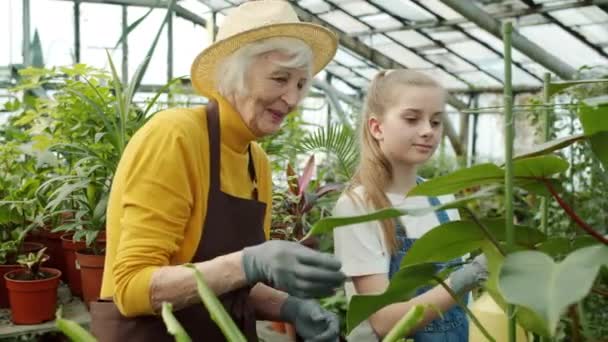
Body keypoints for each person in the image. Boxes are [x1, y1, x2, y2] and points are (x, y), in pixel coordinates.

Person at [90, 1, 345, 341]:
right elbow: (133, 287)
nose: (292, 98)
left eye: (301, 84)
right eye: (280, 78)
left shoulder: (258, 164)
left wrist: (289, 307)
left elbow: (229, 283)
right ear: (233, 73)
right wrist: (250, 263)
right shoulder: (175, 137)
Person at [332, 69, 488, 341]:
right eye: (412, 119)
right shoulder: (358, 206)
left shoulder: (444, 200)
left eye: (436, 121)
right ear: (376, 127)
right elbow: (383, 321)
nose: (427, 131)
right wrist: (468, 276)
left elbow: (464, 309)